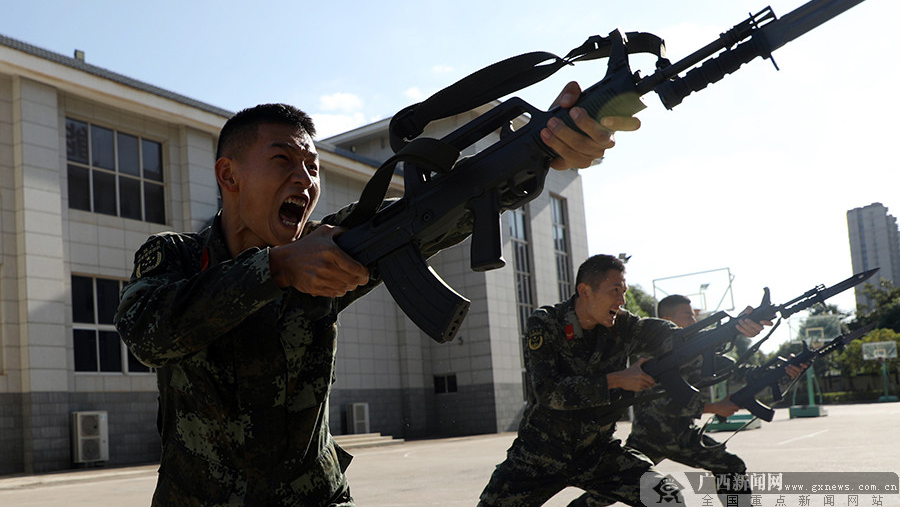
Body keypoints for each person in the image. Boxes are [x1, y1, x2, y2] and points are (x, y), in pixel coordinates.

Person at [114, 82, 637, 507]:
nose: (305, 179)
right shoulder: (177, 256)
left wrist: (542, 150)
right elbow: (148, 333)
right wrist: (271, 269)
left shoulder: (333, 247)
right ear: (229, 174)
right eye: (283, 161)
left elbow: (432, 214)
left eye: (313, 167)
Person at [476, 255, 770, 507]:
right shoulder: (547, 323)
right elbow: (548, 391)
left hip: (597, 453)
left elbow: (676, 340)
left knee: (666, 496)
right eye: (614, 290)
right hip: (538, 455)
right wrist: (617, 380)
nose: (621, 299)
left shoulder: (624, 324)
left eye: (624, 291)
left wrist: (732, 328)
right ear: (585, 291)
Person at [567, 294, 805, 507]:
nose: (693, 321)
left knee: (731, 466)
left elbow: (738, 369)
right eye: (687, 316)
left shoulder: (700, 352)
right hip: (651, 436)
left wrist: (782, 371)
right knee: (610, 491)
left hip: (684, 435)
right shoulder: (651, 355)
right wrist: (713, 407)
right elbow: (661, 404)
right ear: (667, 320)